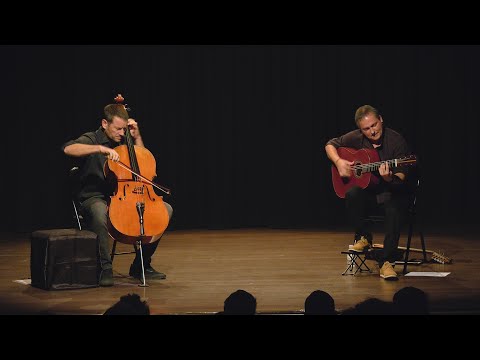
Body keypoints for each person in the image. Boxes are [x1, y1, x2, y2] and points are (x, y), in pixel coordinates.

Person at [62, 102, 173, 287]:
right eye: (118, 129)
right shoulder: (92, 138)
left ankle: (141, 265)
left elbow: (144, 162)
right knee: (100, 212)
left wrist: (136, 137)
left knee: (165, 210)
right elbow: (68, 149)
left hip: (125, 196)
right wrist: (100, 149)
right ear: (105, 123)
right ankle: (105, 268)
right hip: (95, 196)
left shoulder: (124, 142)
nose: (122, 133)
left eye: (124, 129)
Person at [325, 105, 412, 280]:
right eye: (366, 129)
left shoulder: (396, 141)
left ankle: (386, 261)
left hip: (392, 192)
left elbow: (401, 178)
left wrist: (388, 178)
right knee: (351, 193)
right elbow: (330, 144)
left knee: (394, 206)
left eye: (374, 125)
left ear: (381, 119)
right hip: (370, 194)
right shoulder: (356, 138)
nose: (372, 131)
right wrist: (339, 161)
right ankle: (363, 236)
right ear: (360, 130)